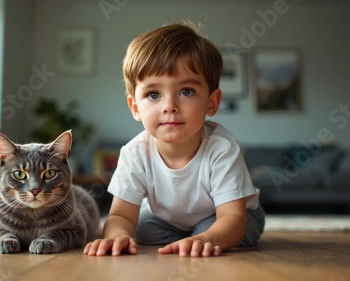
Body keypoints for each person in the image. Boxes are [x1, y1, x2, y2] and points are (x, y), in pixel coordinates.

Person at [83, 22, 265, 257]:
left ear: (212, 102)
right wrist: (118, 237)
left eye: (186, 91)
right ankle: (186, 240)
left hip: (233, 216)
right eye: (153, 94)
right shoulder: (135, 153)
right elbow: (120, 216)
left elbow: (233, 217)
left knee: (214, 231)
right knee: (140, 229)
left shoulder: (221, 149)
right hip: (167, 221)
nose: (169, 106)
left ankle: (194, 238)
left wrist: (206, 239)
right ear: (135, 107)